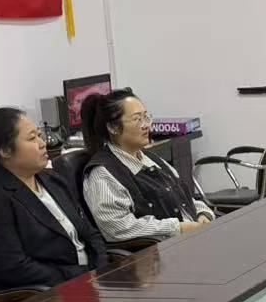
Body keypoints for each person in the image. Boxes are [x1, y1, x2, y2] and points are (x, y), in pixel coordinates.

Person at [0, 107, 106, 290]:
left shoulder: (53, 180)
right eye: (32, 138)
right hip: (48, 294)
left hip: (90, 277)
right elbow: (14, 268)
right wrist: (80, 275)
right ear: (5, 151)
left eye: (39, 135)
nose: (42, 144)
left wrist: (102, 268)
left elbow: (90, 233)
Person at [78, 88, 214, 244]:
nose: (146, 126)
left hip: (192, 239)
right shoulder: (103, 174)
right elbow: (118, 227)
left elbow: (185, 198)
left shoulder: (152, 159)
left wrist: (203, 214)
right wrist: (178, 228)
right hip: (160, 251)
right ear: (113, 127)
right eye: (137, 119)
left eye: (146, 117)